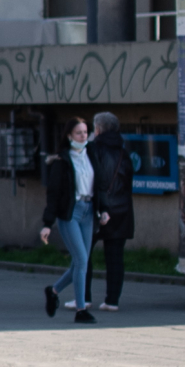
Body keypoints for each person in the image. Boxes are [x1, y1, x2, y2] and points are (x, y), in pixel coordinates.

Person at [38, 116, 96, 324]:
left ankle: (53, 291)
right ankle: (81, 309)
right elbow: (53, 194)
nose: (83, 136)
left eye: (85, 132)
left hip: (88, 211)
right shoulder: (62, 161)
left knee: (81, 262)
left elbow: (101, 184)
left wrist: (104, 209)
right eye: (78, 133)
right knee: (81, 260)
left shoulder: (91, 155)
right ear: (69, 136)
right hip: (70, 214)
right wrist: (47, 224)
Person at [88, 110, 135, 313]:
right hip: (121, 210)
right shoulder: (124, 152)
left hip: (96, 209)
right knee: (115, 257)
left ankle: (84, 297)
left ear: (97, 129)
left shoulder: (93, 149)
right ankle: (112, 300)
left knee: (83, 254)